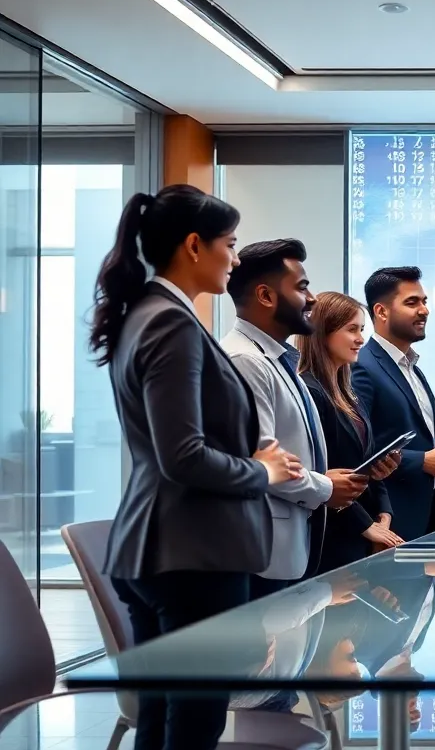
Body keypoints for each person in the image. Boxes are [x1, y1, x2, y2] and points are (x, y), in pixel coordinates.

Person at [92, 185, 303, 750]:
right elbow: (182, 455)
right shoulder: (171, 323)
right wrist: (264, 472)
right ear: (193, 246)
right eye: (229, 245)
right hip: (191, 554)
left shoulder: (147, 314)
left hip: (164, 551)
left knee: (163, 723)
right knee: (192, 725)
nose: (234, 259)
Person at [222, 239, 365, 597]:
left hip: (289, 547)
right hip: (265, 552)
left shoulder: (275, 358)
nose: (313, 298)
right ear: (266, 296)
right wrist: (325, 487)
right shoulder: (246, 361)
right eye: (302, 287)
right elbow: (261, 464)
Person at [352, 267, 435, 540]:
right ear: (381, 312)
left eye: (424, 301)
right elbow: (357, 447)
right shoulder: (363, 367)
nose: (424, 310)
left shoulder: (412, 366)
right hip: (390, 518)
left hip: (428, 511)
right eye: (412, 302)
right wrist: (423, 461)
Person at [297, 291, 404, 575]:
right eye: (352, 330)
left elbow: (365, 462)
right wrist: (365, 525)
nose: (360, 339)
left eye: (362, 330)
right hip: (332, 532)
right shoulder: (310, 390)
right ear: (323, 332)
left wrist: (384, 512)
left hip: (363, 528)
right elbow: (322, 472)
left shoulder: (348, 392)